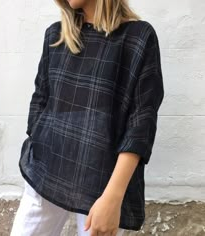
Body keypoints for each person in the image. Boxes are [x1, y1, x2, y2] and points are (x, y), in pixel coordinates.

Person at [10, 0, 164, 235]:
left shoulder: (138, 38)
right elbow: (41, 97)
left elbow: (141, 123)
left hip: (102, 183)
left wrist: (113, 196)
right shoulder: (56, 35)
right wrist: (37, 141)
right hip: (45, 171)